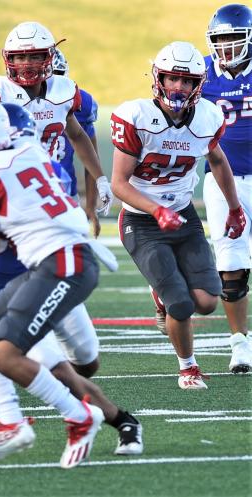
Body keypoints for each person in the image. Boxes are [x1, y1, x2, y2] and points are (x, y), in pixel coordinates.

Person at [0, 102, 141, 460]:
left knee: (5, 353)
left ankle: (80, 417)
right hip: (55, 262)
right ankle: (11, 422)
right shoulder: (33, 154)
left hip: (63, 264)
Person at [111, 41, 246, 390]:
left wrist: (234, 208)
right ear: (159, 78)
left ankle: (163, 295)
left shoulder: (207, 117)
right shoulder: (136, 116)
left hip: (182, 215)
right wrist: (156, 210)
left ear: (198, 85)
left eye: (187, 82)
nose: (179, 87)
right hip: (142, 221)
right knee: (182, 304)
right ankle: (188, 368)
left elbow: (217, 161)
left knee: (206, 301)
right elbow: (119, 184)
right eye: (172, 79)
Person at [0, 21, 113, 236]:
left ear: (49, 56)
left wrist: (101, 179)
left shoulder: (64, 90)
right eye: (20, 57)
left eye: (35, 56)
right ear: (9, 58)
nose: (26, 64)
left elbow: (77, 135)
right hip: (10, 190)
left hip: (54, 186)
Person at [201, 3, 252, 374]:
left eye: (234, 38)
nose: (227, 46)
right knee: (230, 262)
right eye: (220, 39)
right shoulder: (199, 73)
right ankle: (240, 343)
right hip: (221, 181)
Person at [49, 49, 99, 203]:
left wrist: (91, 206)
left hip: (67, 194)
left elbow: (91, 156)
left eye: (58, 75)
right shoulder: (15, 102)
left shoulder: (80, 103)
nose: (54, 84)